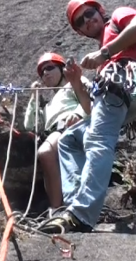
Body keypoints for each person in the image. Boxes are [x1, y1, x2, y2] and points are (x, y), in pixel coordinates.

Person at [39, 0, 136, 234]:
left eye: (89, 13)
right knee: (69, 140)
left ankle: (81, 214)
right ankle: (74, 204)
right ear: (80, 31)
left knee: (97, 141)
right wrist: (76, 81)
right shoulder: (105, 56)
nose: (86, 20)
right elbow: (91, 110)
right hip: (116, 93)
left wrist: (104, 53)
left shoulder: (118, 19)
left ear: (100, 11)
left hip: (124, 82)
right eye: (80, 21)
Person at [23, 52, 91, 211]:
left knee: (45, 152)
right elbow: (29, 124)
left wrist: (79, 113)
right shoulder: (47, 105)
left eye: (49, 68)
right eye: (42, 73)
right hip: (56, 132)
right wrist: (34, 98)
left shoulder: (73, 84)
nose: (45, 73)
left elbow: (91, 97)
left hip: (71, 127)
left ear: (61, 69)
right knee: (47, 155)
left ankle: (56, 208)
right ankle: (59, 208)